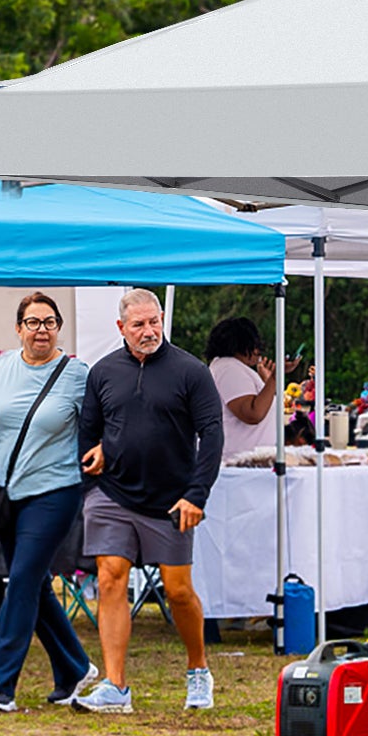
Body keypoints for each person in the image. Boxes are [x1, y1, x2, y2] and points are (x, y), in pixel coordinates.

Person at [0, 292, 97, 711]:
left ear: (58, 327)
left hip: (53, 491)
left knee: (24, 577)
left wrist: (100, 452)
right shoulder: (2, 366)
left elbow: (98, 425)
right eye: (33, 322)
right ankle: (75, 668)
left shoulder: (77, 374)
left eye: (48, 322)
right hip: (1, 490)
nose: (41, 329)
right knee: (32, 585)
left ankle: (1, 687)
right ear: (18, 328)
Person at [73, 288, 224, 714]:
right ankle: (115, 686)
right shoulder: (102, 372)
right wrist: (94, 464)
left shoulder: (191, 371)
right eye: (138, 324)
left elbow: (212, 435)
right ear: (121, 328)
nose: (148, 331)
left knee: (178, 591)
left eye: (154, 321)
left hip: (172, 500)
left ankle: (198, 670)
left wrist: (197, 494)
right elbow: (88, 431)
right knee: (110, 577)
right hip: (113, 494)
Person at [206, 316, 294, 461]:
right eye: (254, 345)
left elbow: (263, 405)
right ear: (240, 345)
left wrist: (268, 382)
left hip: (251, 461)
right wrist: (274, 377)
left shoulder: (232, 368)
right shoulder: (228, 369)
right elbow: (253, 414)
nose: (258, 351)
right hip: (241, 462)